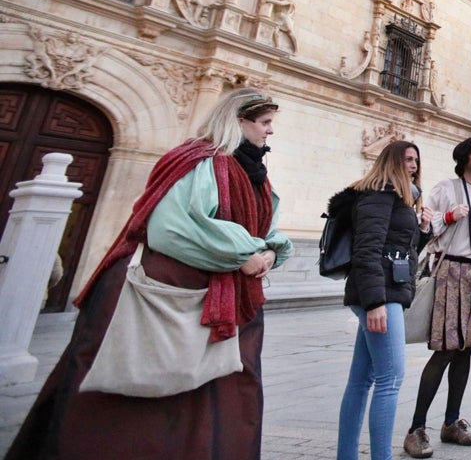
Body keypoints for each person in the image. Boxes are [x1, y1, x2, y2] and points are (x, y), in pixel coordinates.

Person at [6, 88, 292, 460]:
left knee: (223, 389)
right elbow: (172, 226)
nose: (270, 130)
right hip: (171, 288)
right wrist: (242, 255)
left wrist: (269, 251)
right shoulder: (197, 159)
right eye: (265, 122)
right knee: (141, 382)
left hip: (228, 294)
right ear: (238, 120)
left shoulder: (255, 173)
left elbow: (265, 227)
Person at [403, 138, 471, 459]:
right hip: (450, 272)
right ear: (464, 159)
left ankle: (451, 423)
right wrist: (449, 216)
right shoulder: (446, 188)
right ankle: (416, 429)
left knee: (465, 351)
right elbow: (425, 225)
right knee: (446, 350)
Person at [333, 141, 432, 460]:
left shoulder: (398, 199)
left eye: (416, 160)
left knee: (361, 381)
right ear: (391, 162)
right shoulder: (379, 194)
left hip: (384, 291)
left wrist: (423, 230)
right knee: (390, 379)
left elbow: (400, 249)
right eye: (407, 159)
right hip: (380, 294)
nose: (413, 165)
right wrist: (375, 303)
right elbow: (367, 250)